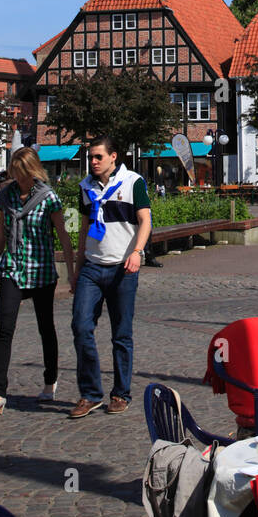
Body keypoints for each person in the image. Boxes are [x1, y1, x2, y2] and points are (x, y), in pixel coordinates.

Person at [0, 148, 77, 413]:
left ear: (31, 170)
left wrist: (71, 272)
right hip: (12, 268)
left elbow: (63, 236)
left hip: (41, 269)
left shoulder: (48, 198)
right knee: (4, 329)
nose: (17, 177)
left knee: (45, 327)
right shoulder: (7, 195)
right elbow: (2, 230)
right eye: (14, 172)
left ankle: (50, 381)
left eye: (21, 172)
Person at [70, 136, 151, 418]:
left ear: (113, 156)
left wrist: (137, 252)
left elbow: (145, 220)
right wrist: (77, 266)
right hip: (92, 267)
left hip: (122, 268)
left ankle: (120, 393)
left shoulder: (133, 183)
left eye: (98, 157)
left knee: (121, 333)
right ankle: (90, 394)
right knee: (80, 327)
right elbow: (84, 227)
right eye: (90, 157)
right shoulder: (85, 187)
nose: (92, 162)